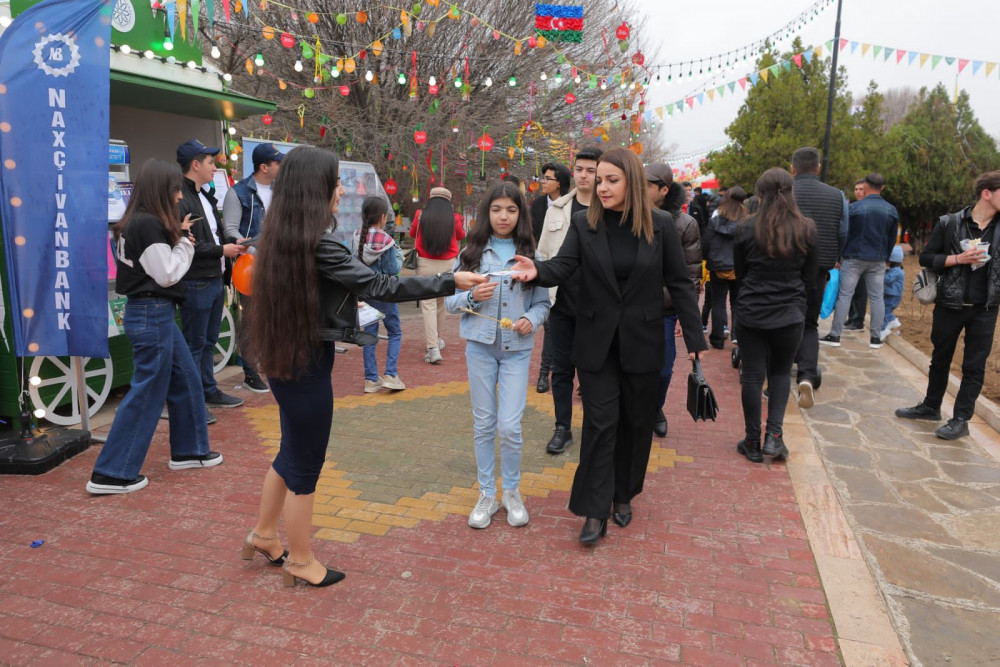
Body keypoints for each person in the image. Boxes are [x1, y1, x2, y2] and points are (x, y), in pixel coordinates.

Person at [243, 146, 483, 587]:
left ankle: (263, 535)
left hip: (286, 358)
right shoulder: (320, 243)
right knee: (305, 465)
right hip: (306, 364)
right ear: (315, 190)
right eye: (334, 182)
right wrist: (451, 279)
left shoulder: (282, 235)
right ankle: (299, 559)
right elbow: (380, 284)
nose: (340, 190)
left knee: (290, 452)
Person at [511, 148, 707, 544]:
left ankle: (624, 494)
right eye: (599, 179)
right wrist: (537, 271)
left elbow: (681, 283)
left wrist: (695, 339)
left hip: (643, 341)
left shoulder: (662, 224)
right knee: (601, 424)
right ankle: (594, 509)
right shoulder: (585, 223)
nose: (601, 187)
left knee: (636, 424)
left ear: (632, 182)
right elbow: (564, 266)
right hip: (597, 342)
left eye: (611, 180)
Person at [87, 160, 223, 494]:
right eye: (175, 190)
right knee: (147, 390)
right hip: (152, 312)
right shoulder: (146, 225)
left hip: (155, 312)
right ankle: (112, 473)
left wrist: (178, 238)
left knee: (187, 377)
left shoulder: (139, 221)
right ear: (162, 191)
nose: (179, 197)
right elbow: (167, 274)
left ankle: (191, 451)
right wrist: (186, 244)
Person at [445, 182, 550, 529]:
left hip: (517, 351)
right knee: (484, 423)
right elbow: (449, 303)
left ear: (520, 214)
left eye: (511, 210)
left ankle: (513, 492)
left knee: (509, 426)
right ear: (485, 212)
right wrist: (474, 297)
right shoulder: (471, 253)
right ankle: (487, 494)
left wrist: (529, 320)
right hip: (479, 347)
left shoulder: (531, 255)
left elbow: (543, 305)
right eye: (496, 209)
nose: (503, 217)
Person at [895, 172, 1000, 440]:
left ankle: (961, 419)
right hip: (949, 303)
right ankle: (931, 406)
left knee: (974, 366)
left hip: (985, 308)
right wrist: (959, 258)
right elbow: (927, 258)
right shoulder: (950, 222)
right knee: (939, 359)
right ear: (987, 193)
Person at [733, 168, 818, 463]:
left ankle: (753, 440)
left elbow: (740, 275)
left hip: (751, 311)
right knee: (781, 373)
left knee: (753, 376)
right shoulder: (806, 228)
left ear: (760, 195)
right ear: (790, 193)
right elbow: (810, 278)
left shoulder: (745, 228)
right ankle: (774, 437)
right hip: (790, 313)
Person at [536, 146, 602, 454]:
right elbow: (545, 254)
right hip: (561, 302)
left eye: (591, 170)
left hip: (599, 308)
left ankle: (595, 428)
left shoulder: (610, 207)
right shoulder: (558, 207)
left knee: (594, 370)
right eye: (580, 169)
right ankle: (562, 427)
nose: (585, 175)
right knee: (561, 369)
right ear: (573, 172)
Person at [176, 139, 246, 415]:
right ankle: (193, 402)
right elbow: (184, 243)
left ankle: (208, 390)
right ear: (195, 165)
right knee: (195, 344)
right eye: (209, 162)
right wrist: (222, 249)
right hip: (197, 280)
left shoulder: (203, 194)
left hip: (214, 278)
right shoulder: (180, 197)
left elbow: (212, 234)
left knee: (207, 341)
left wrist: (234, 243)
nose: (214, 166)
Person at [222, 142, 284, 394]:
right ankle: (250, 371)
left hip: (279, 265)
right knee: (250, 319)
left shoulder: (282, 191)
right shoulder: (237, 193)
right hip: (251, 267)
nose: (282, 166)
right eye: (278, 162)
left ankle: (273, 364)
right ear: (264, 167)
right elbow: (230, 230)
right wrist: (252, 247)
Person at [790, 147, 849, 407]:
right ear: (818, 168)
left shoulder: (784, 193)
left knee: (782, 319)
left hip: (785, 267)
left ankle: (775, 373)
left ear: (793, 169)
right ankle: (806, 375)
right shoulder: (837, 196)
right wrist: (836, 255)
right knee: (810, 324)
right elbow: (844, 231)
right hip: (819, 269)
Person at [646, 162, 701, 439]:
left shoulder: (685, 224)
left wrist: (684, 317)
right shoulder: (628, 217)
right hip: (632, 308)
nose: (641, 190)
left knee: (664, 369)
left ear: (664, 190)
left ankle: (656, 407)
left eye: (648, 186)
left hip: (665, 310)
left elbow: (691, 276)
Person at [822, 173, 899, 350]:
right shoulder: (891, 210)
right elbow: (892, 238)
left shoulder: (855, 208)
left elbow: (845, 233)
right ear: (883, 187)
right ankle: (875, 338)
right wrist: (885, 257)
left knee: (845, 295)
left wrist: (839, 256)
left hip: (853, 257)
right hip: (878, 259)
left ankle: (835, 335)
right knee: (877, 297)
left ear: (865, 186)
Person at [353, 196, 405, 393]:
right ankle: (391, 374)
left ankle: (371, 379)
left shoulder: (357, 235)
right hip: (385, 293)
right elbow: (392, 270)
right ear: (383, 217)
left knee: (369, 336)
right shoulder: (387, 240)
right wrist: (399, 258)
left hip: (365, 294)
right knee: (395, 332)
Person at [408, 187, 466, 364]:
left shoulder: (420, 215)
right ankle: (437, 340)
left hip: (425, 264)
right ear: (449, 202)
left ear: (431, 200)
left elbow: (412, 234)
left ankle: (433, 347)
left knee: (428, 306)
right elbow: (462, 235)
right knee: (441, 304)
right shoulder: (455, 218)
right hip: (448, 265)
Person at [530, 162, 571, 394]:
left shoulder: (571, 205)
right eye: (543, 177)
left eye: (547, 178)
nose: (543, 182)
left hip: (568, 272)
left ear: (560, 183)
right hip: (543, 270)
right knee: (549, 325)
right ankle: (544, 373)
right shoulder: (537, 205)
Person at [703, 187, 749, 349]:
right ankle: (737, 335)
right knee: (737, 302)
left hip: (718, 265)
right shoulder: (746, 219)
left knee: (718, 303)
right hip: (739, 266)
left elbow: (707, 240)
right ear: (743, 199)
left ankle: (717, 339)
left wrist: (706, 257)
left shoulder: (717, 216)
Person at [880, 245, 905, 341]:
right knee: (886, 309)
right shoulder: (894, 270)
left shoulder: (897, 272)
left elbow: (888, 280)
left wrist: (882, 272)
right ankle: (893, 320)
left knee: (885, 311)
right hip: (890, 295)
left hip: (893, 296)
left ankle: (883, 330)